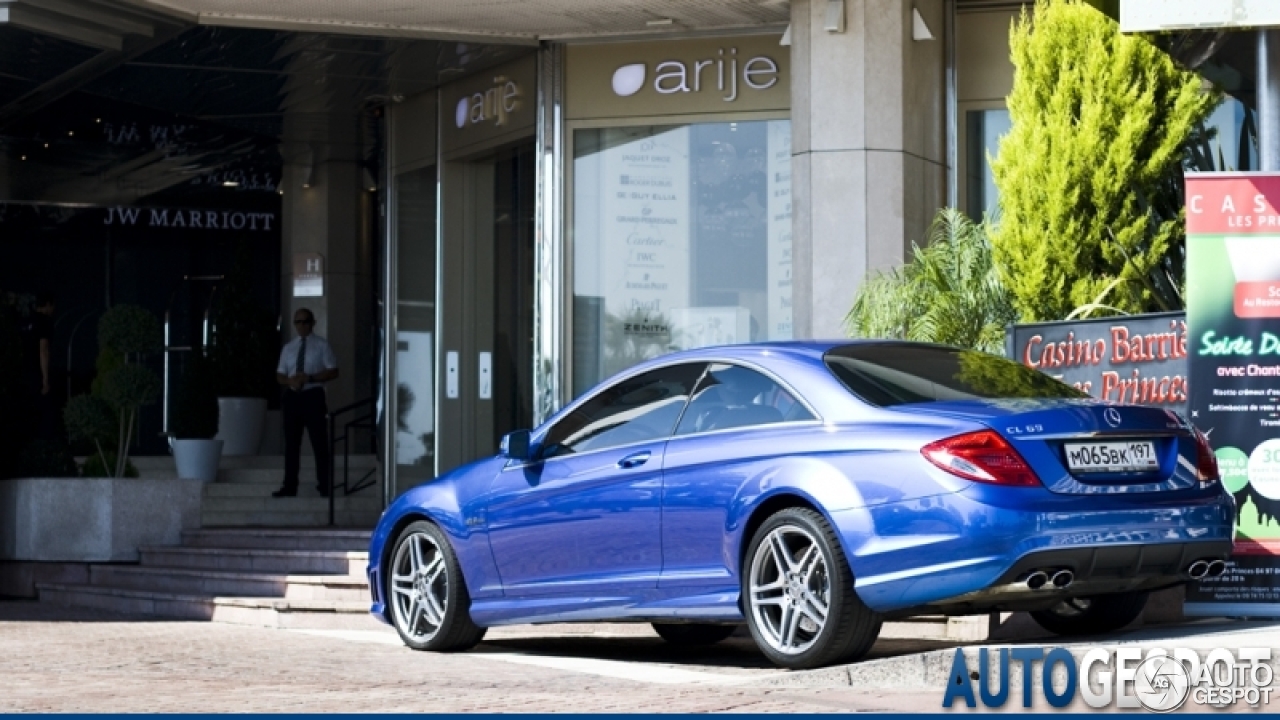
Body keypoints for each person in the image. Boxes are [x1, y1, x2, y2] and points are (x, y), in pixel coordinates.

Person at [274, 308, 339, 498]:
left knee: (319, 442)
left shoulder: (321, 345)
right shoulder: (289, 348)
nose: (301, 326)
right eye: (298, 322)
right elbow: (279, 374)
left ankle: (325, 485)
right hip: (293, 396)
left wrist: (310, 378)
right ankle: (289, 485)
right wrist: (290, 381)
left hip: (313, 395)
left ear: (312, 323)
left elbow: (333, 370)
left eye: (305, 322)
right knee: (291, 444)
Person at [21, 293, 56, 440]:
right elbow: (43, 350)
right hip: (36, 372)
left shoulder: (26, 321)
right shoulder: (43, 322)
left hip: (22, 370)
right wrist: (46, 379)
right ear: (47, 304)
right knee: (42, 410)